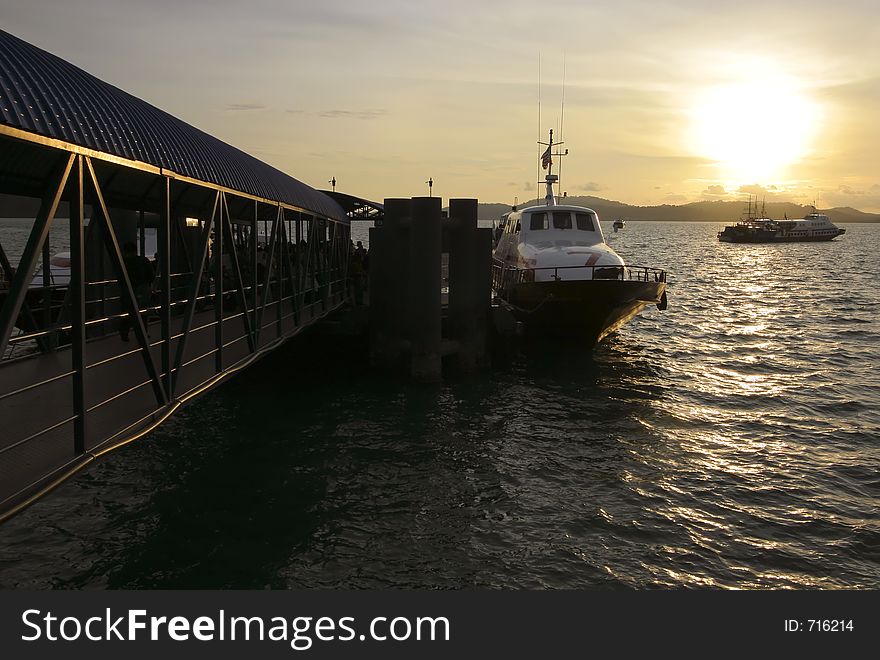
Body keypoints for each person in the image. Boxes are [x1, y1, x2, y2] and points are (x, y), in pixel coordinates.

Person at [119, 241, 155, 341]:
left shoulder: (122, 263)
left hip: (127, 291)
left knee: (126, 312)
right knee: (142, 313)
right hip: (142, 290)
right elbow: (151, 275)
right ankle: (143, 333)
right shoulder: (143, 261)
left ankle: (124, 333)